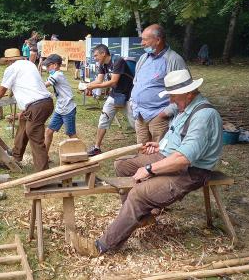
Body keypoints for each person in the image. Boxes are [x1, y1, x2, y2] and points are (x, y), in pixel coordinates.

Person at [81, 70, 222, 256]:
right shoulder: (185, 107)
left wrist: (149, 169)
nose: (171, 100)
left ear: (189, 93)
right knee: (122, 165)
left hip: (190, 171)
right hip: (170, 158)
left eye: (173, 95)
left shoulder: (203, 116)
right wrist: (160, 145)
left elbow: (183, 158)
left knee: (138, 194)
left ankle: (102, 246)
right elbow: (178, 140)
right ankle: (142, 217)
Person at [0, 48, 53, 172]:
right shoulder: (29, 64)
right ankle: (16, 157)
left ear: (9, 61)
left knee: (35, 137)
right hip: (46, 103)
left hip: (36, 106)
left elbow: (0, 91)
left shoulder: (11, 69)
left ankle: (43, 174)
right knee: (23, 120)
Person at [130, 24, 187, 144]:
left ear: (158, 40)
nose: (141, 43)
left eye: (145, 39)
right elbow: (136, 82)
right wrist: (133, 103)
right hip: (140, 115)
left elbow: (183, 92)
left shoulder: (174, 60)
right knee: (142, 151)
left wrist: (165, 113)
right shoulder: (143, 58)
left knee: (159, 153)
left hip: (159, 117)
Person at [86, 44, 134, 156]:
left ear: (103, 53)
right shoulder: (102, 64)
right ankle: (97, 147)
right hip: (114, 95)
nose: (95, 58)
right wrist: (87, 86)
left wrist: (94, 87)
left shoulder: (118, 61)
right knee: (103, 119)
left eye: (96, 55)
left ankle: (146, 145)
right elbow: (99, 80)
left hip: (128, 96)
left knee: (135, 123)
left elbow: (113, 82)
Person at [43, 54, 77, 155]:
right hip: (60, 108)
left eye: (48, 65)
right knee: (48, 131)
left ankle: (80, 153)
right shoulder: (53, 75)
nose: (47, 68)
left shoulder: (58, 75)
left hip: (68, 108)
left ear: (55, 65)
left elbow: (45, 85)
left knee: (71, 134)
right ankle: (44, 156)